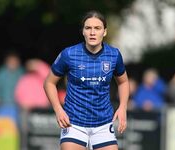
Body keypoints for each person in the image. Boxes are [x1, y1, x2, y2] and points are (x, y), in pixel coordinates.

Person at [44, 10, 129, 150]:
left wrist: (123, 106)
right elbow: (49, 83)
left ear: (105, 32)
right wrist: (58, 109)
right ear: (83, 31)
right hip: (74, 122)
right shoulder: (69, 54)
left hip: (103, 122)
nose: (92, 32)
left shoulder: (114, 55)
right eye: (88, 28)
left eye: (97, 28)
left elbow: (124, 82)